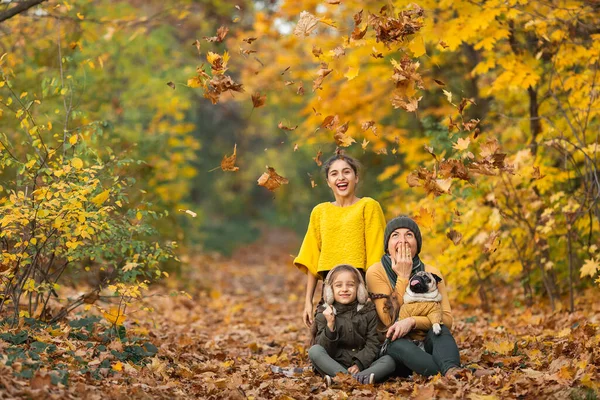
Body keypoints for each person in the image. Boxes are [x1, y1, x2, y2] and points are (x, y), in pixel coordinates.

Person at [294, 153, 386, 328]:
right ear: (328, 181)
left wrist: (373, 296)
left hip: (362, 289)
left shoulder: (368, 206)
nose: (341, 177)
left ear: (356, 177)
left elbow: (377, 256)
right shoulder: (320, 212)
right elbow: (312, 261)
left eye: (346, 172)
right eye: (334, 174)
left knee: (364, 341)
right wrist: (308, 302)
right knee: (328, 340)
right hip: (331, 290)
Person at [366, 216, 462, 377]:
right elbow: (389, 320)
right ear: (387, 246)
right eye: (395, 235)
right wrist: (403, 276)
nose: (402, 241)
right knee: (400, 345)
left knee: (440, 330)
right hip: (394, 345)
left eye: (409, 235)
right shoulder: (376, 272)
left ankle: (452, 371)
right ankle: (457, 371)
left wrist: (412, 322)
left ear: (417, 244)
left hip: (427, 342)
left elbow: (446, 319)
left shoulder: (431, 273)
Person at [308, 264, 396, 385]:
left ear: (359, 289)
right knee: (315, 351)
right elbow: (324, 350)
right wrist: (330, 326)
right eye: (339, 285)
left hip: (363, 365)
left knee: (389, 360)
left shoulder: (368, 311)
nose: (344, 289)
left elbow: (373, 343)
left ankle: (342, 381)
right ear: (330, 290)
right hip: (335, 365)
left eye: (350, 285)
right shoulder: (323, 314)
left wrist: (359, 364)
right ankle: (355, 379)